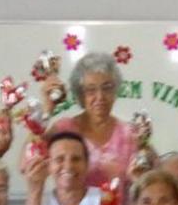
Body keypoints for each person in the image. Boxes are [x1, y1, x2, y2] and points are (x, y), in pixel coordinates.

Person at [41, 52, 138, 191]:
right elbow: (26, 164)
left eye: (107, 88)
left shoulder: (129, 134)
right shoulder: (64, 129)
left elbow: (144, 181)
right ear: (80, 95)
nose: (100, 96)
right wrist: (46, 110)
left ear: (115, 91)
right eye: (91, 90)